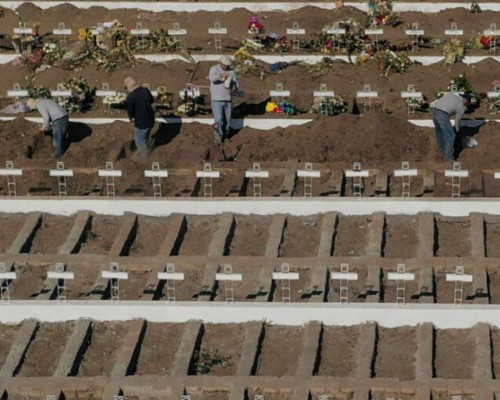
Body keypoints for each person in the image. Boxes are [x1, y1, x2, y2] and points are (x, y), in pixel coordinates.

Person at [432, 92, 476, 161]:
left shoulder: (452, 95)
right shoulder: (462, 106)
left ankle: (442, 150)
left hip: (434, 111)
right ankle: (448, 158)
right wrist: (457, 132)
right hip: (442, 115)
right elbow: (457, 121)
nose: (467, 105)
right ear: (466, 100)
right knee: (451, 135)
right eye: (468, 103)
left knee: (440, 132)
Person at [209, 55, 238, 143]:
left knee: (227, 118)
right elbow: (212, 78)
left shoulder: (232, 71)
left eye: (227, 65)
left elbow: (236, 83)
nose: (226, 67)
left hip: (228, 98)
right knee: (218, 119)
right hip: (216, 99)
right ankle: (218, 136)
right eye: (224, 65)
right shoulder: (214, 69)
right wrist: (220, 75)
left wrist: (233, 86)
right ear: (220, 63)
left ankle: (226, 135)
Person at [124, 77, 155, 160]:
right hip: (151, 119)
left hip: (142, 122)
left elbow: (130, 111)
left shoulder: (131, 97)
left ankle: (146, 159)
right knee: (146, 137)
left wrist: (131, 118)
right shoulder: (145, 90)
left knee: (139, 141)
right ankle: (149, 151)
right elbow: (152, 101)